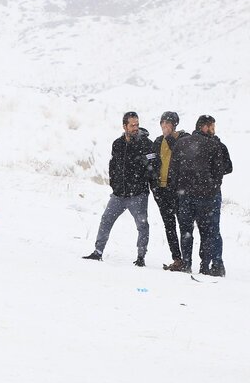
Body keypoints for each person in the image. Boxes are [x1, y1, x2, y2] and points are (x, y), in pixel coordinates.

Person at [82, 112, 156, 266]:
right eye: (132, 125)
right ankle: (98, 252)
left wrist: (143, 168)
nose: (135, 127)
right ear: (124, 126)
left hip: (138, 195)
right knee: (106, 220)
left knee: (142, 225)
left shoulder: (146, 143)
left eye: (137, 124)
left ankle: (141, 257)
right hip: (119, 194)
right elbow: (113, 165)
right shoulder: (117, 144)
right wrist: (114, 183)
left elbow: (154, 163)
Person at [168, 115, 233, 275]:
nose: (213, 130)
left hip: (186, 195)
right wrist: (211, 188)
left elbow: (173, 171)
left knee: (186, 230)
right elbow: (221, 171)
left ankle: (187, 263)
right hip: (207, 196)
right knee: (210, 232)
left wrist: (178, 189)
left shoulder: (181, 143)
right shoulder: (215, 145)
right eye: (212, 126)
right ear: (204, 127)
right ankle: (209, 265)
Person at [149, 111, 188, 270]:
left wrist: (171, 139)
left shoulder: (184, 138)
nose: (164, 127)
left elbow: (184, 158)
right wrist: (154, 187)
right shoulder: (158, 141)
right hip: (162, 190)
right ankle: (177, 259)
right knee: (169, 226)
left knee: (184, 226)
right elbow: (151, 164)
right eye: (162, 124)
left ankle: (187, 260)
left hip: (178, 191)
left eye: (167, 124)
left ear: (174, 125)